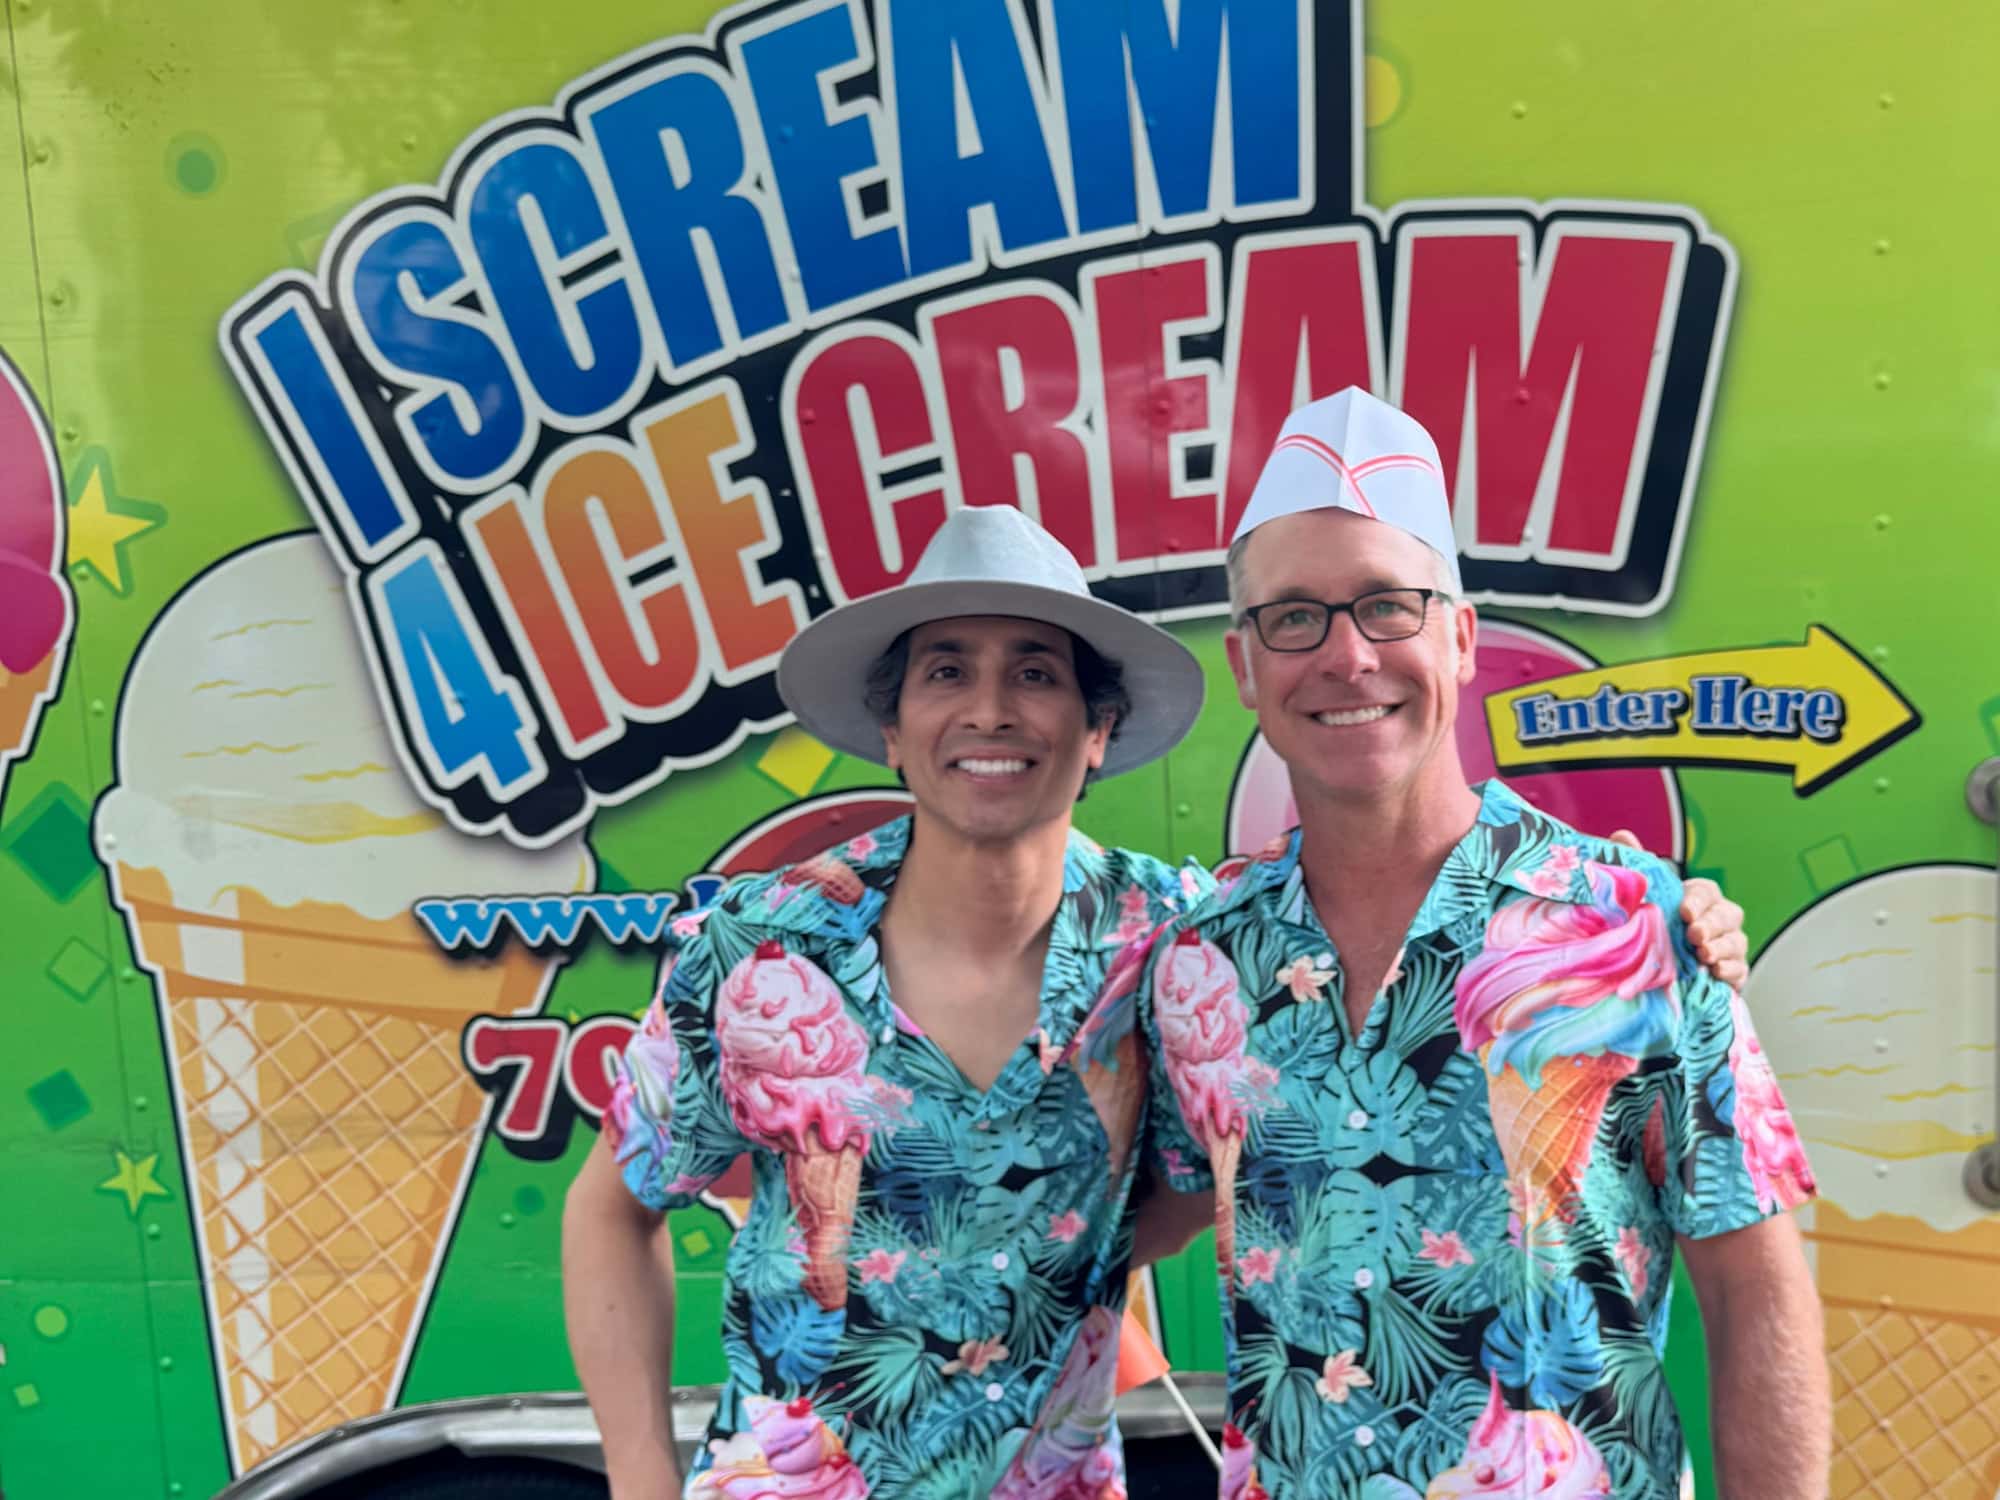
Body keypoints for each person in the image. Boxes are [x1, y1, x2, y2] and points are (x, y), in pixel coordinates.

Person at [562, 500, 1752, 1499]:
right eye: (946, 672)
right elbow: (612, 1207)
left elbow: (1219, 1159)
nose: (989, 710)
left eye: (1035, 673)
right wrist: (639, 1480)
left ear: (1097, 730)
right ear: (892, 723)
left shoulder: (1179, 944)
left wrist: (1672, 914)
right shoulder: (761, 945)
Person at [1135, 389, 1826, 1499]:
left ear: (1457, 638)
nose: (1346, 655)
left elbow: (1753, 1288)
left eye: (1386, 607)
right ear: (1243, 665)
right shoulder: (1198, 963)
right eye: (1293, 617)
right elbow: (1146, 1203)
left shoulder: (1626, 920)